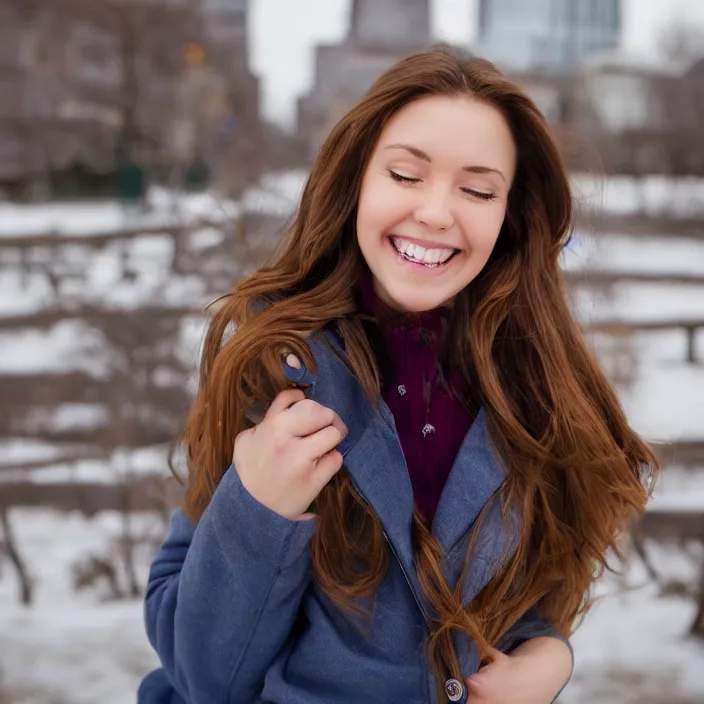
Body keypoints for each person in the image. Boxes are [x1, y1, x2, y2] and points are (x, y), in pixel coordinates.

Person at [138, 45, 658, 704]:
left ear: (509, 214)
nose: (437, 212)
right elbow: (203, 674)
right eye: (406, 175)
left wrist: (548, 655)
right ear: (358, 179)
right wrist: (257, 505)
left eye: (476, 189)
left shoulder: (538, 386)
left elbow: (526, 600)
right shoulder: (274, 368)